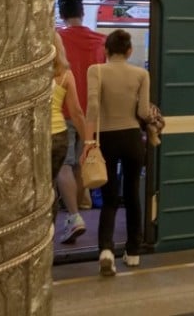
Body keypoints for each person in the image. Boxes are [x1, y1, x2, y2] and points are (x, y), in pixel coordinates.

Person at [83, 29, 151, 277]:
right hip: (133, 138)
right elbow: (143, 112)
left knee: (109, 197)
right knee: (132, 195)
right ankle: (133, 252)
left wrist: (89, 142)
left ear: (106, 50)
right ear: (130, 51)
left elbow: (92, 107)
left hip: (106, 139)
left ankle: (106, 251)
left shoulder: (96, 70)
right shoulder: (142, 74)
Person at [56, 0, 107, 223]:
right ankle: (82, 207)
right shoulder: (100, 40)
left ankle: (73, 214)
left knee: (64, 165)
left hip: (64, 111)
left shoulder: (57, 38)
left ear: (61, 14)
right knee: (79, 163)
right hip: (91, 114)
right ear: (83, 12)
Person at [50, 33, 87, 238]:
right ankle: (73, 218)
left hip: (37, 138)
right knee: (62, 172)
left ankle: (45, 233)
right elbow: (76, 112)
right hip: (59, 135)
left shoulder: (32, 72)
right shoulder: (65, 74)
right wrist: (88, 141)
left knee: (43, 188)